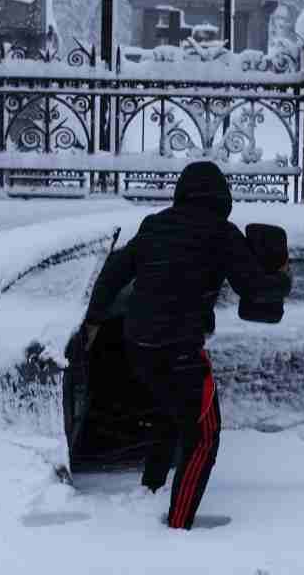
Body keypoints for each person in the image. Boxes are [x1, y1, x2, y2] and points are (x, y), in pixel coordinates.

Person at [81, 161, 290, 531]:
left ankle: (151, 489)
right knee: (204, 435)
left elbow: (113, 274)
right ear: (222, 197)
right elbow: (255, 288)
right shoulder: (221, 234)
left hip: (138, 342)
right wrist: (283, 279)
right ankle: (177, 527)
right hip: (178, 347)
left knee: (168, 414)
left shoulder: (153, 226)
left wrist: (95, 319)